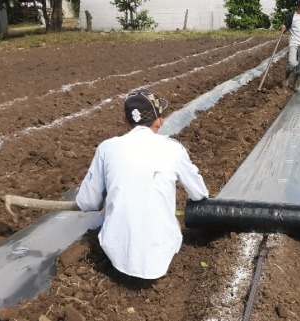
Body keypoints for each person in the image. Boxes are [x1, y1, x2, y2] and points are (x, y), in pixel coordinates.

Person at [76, 89, 209, 281]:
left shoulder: (106, 148)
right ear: (159, 121)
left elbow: (86, 202)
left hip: (116, 256)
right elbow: (199, 194)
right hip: (163, 252)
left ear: (125, 121)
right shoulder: (174, 149)